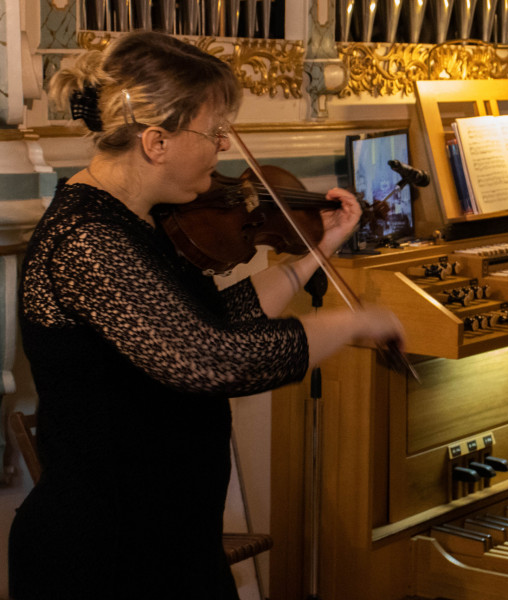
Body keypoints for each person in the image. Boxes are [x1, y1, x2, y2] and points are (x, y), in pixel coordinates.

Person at [9, 31, 405, 599]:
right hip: (105, 558)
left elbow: (214, 320)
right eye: (214, 131)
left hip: (171, 542)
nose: (224, 147)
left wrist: (315, 251)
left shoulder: (141, 220)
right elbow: (213, 359)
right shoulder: (86, 240)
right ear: (156, 142)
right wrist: (354, 322)